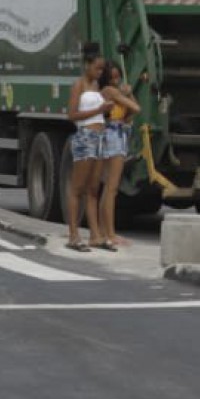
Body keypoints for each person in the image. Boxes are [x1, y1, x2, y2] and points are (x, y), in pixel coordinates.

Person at [65, 44, 112, 250]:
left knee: (94, 189)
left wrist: (105, 111)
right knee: (78, 188)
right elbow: (72, 115)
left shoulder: (96, 87)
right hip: (85, 136)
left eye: (102, 69)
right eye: (97, 68)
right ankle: (74, 234)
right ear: (87, 65)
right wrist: (99, 109)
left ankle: (95, 235)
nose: (99, 72)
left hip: (100, 137)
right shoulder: (79, 85)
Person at [98, 62, 140, 248]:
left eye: (118, 77)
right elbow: (137, 108)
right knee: (112, 188)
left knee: (108, 187)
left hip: (117, 134)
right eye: (112, 77)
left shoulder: (115, 94)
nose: (116, 81)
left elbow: (131, 113)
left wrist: (128, 93)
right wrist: (126, 92)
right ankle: (110, 233)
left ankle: (103, 231)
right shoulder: (110, 92)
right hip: (113, 136)